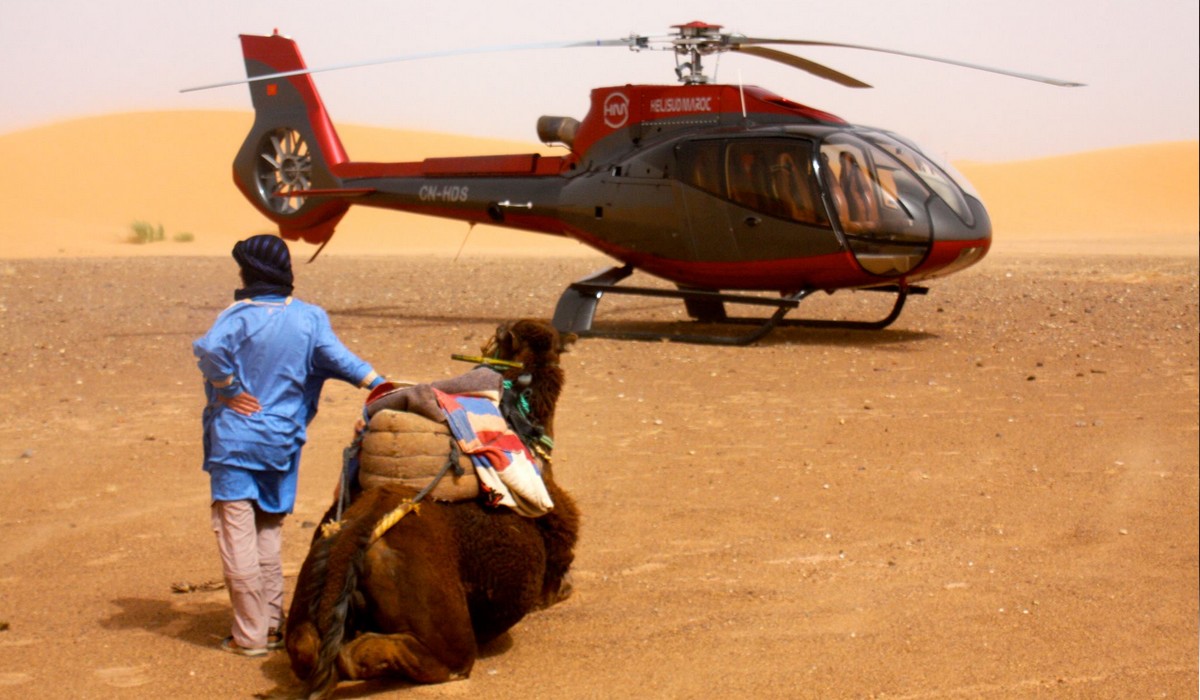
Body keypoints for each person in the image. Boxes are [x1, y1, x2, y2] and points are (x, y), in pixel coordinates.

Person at [193, 234, 385, 657]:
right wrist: (380, 385)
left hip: (235, 442)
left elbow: (209, 350)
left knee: (237, 535)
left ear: (249, 272)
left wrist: (228, 388)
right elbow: (343, 361)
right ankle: (272, 626)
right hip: (282, 442)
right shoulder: (309, 317)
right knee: (267, 533)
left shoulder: (238, 316)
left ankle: (248, 636)